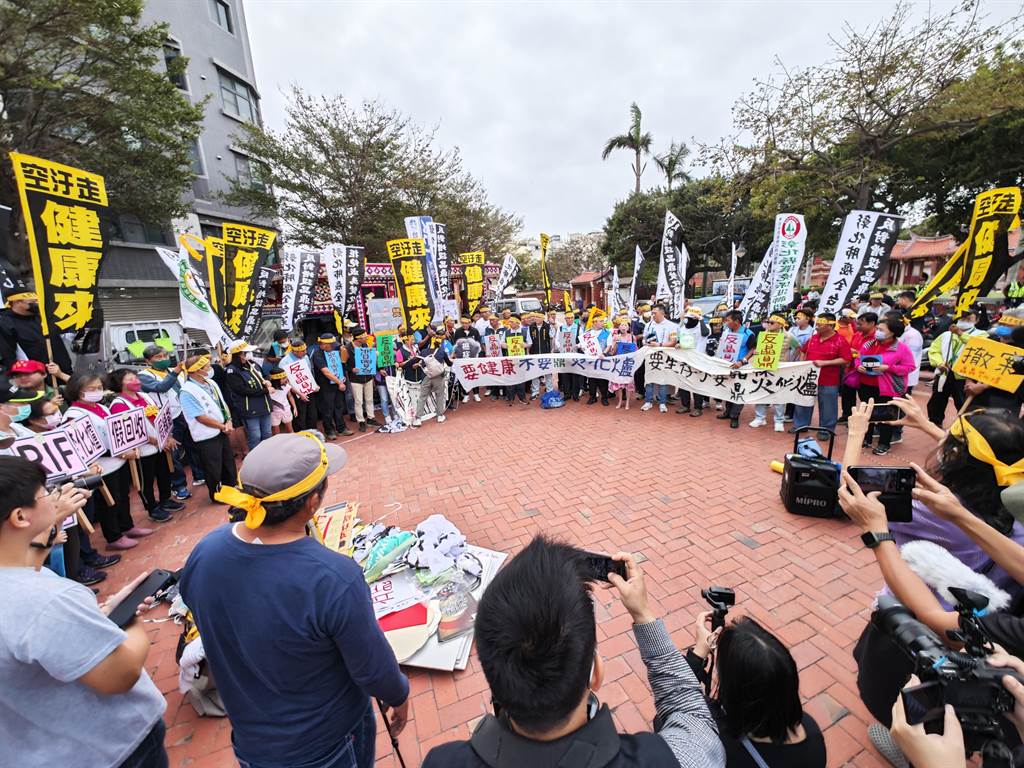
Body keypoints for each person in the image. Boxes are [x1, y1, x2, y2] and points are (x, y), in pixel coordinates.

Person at [179, 433, 409, 768]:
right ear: (312, 504)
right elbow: (371, 667)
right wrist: (398, 694)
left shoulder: (205, 552)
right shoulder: (332, 577)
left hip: (253, 742)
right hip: (327, 743)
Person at [421, 536, 724, 768]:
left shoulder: (441, 762)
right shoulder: (667, 760)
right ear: (596, 672)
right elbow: (691, 714)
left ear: (492, 672)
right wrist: (643, 614)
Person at [0, 457, 169, 768]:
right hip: (110, 752)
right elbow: (120, 673)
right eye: (45, 493)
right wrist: (126, 617)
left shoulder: (25, 585)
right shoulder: (44, 600)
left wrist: (95, 620)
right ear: (20, 516)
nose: (55, 498)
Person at [685, 611, 826, 767]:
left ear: (737, 695)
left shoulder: (718, 742)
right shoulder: (812, 734)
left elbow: (668, 719)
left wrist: (697, 655)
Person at [65, 374, 149, 551]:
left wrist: (128, 445)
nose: (98, 392)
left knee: (123, 496)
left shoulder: (100, 407)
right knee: (109, 502)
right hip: (102, 466)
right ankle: (113, 537)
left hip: (119, 460)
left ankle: (127, 526)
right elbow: (85, 445)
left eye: (99, 388)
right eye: (92, 389)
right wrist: (119, 452)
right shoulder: (74, 415)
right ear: (79, 392)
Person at [109, 369, 184, 524]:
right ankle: (152, 507)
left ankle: (165, 499)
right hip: (143, 450)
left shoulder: (144, 396)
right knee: (146, 481)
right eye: (130, 379)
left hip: (160, 445)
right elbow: (129, 430)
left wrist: (166, 436)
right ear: (120, 384)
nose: (136, 381)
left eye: (135, 377)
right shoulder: (119, 404)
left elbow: (159, 415)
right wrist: (154, 440)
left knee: (164, 473)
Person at [137, 345, 196, 499]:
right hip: (164, 419)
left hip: (181, 413)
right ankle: (179, 485)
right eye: (158, 357)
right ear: (148, 361)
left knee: (192, 446)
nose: (164, 359)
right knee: (173, 453)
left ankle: (199, 475)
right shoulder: (144, 375)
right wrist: (176, 372)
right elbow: (161, 387)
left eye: (165, 355)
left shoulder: (173, 370)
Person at [178, 354, 237, 504]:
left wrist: (228, 420)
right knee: (213, 467)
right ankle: (217, 495)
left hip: (222, 429)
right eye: (206, 366)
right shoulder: (187, 391)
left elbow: (222, 403)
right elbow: (200, 417)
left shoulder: (210, 382)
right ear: (197, 370)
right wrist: (222, 426)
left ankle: (231, 488)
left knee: (228, 461)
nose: (210, 367)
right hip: (207, 435)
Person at [856, 316, 915, 455]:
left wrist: (888, 367)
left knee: (885, 416)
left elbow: (910, 367)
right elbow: (859, 357)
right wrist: (858, 366)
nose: (877, 331)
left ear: (892, 332)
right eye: (877, 329)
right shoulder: (870, 344)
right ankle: (866, 438)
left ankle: (884, 443)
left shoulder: (901, 349)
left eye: (881, 329)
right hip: (866, 384)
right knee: (866, 413)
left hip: (887, 388)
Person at [793, 312, 851, 439]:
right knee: (803, 401)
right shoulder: (813, 338)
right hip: (809, 376)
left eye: (820, 324)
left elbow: (846, 359)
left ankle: (826, 430)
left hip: (828, 379)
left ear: (830, 326)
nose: (817, 326)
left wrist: (825, 363)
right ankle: (801, 425)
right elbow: (803, 351)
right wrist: (803, 364)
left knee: (828, 405)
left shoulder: (840, 341)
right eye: (817, 323)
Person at [926, 309, 987, 427]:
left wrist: (959, 333)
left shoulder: (981, 335)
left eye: (969, 319)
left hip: (964, 377)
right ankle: (935, 423)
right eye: (962, 319)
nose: (964, 321)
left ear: (977, 320)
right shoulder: (946, 335)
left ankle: (966, 427)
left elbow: (978, 346)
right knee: (936, 401)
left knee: (963, 403)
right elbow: (934, 350)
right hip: (945, 373)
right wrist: (939, 363)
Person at [746, 314, 802, 432]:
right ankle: (760, 418)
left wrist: (790, 360)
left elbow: (798, 347)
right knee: (761, 393)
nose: (769, 324)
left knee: (779, 396)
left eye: (772, 323)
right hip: (763, 368)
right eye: (768, 322)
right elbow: (756, 349)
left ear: (780, 324)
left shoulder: (789, 336)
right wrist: (756, 352)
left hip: (779, 370)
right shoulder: (763, 334)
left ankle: (779, 420)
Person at [0, 291, 73, 376]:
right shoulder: (6, 324)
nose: (37, 304)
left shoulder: (44, 314)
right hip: (36, 377)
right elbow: (8, 357)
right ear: (17, 302)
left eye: (37, 301)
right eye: (33, 303)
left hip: (63, 371)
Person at [224, 341, 273, 451]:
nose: (248, 354)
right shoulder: (232, 370)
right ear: (239, 354)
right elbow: (242, 390)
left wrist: (268, 381)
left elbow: (265, 376)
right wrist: (265, 390)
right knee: (255, 436)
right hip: (250, 408)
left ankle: (269, 455)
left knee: (267, 433)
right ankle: (256, 460)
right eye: (246, 352)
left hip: (265, 405)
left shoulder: (253, 364)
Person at [716, 310, 756, 429]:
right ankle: (727, 412)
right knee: (728, 390)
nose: (726, 322)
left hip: (741, 367)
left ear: (737, 321)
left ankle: (735, 417)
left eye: (728, 320)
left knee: (738, 392)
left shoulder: (749, 334)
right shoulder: (727, 332)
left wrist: (742, 361)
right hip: (727, 365)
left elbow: (752, 350)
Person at [310, 333, 352, 440]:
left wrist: (343, 351)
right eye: (330, 345)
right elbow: (326, 372)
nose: (333, 346)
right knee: (327, 409)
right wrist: (340, 383)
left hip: (338, 384)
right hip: (326, 386)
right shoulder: (317, 355)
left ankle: (341, 428)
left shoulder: (335, 351)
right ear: (323, 344)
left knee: (339, 407)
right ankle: (329, 431)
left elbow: (344, 361)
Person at [641, 305, 678, 413]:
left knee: (663, 380)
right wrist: (646, 343)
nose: (652, 315)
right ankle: (648, 401)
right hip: (650, 356)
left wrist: (659, 344)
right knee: (649, 379)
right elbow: (644, 340)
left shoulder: (671, 326)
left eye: (655, 313)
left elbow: (673, 341)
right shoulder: (648, 325)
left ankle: (662, 402)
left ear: (662, 313)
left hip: (664, 356)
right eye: (652, 313)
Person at [675, 306, 710, 417]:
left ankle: (698, 408)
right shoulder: (684, 328)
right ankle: (685, 405)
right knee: (683, 383)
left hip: (697, 361)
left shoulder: (704, 326)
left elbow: (705, 334)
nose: (688, 320)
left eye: (690, 319)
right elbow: (681, 340)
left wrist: (701, 319)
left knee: (696, 385)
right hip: (684, 359)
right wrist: (678, 344)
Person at [345, 328, 379, 433]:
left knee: (369, 399)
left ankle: (371, 418)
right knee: (358, 401)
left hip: (367, 377)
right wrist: (351, 369)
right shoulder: (347, 348)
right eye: (364, 337)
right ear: (358, 338)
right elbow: (343, 364)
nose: (366, 339)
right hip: (355, 379)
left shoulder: (365, 346)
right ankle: (361, 421)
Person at [281, 340, 319, 431]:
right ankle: (302, 438)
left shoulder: (305, 357)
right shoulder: (284, 362)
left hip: (309, 390)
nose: (305, 352)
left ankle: (313, 434)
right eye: (302, 351)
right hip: (295, 393)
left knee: (312, 414)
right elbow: (285, 382)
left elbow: (309, 373)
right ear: (294, 351)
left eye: (305, 350)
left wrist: (314, 385)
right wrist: (299, 394)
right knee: (300, 417)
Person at [608, 320, 638, 409]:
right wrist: (615, 344)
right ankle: (620, 401)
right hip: (618, 363)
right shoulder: (616, 337)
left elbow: (635, 350)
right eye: (621, 325)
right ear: (619, 327)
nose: (623, 327)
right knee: (619, 384)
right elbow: (612, 352)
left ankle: (628, 402)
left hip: (628, 363)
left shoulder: (632, 337)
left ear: (628, 327)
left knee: (628, 384)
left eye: (625, 325)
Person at [502, 316, 530, 406]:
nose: (510, 324)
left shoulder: (525, 331)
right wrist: (504, 345)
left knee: (521, 378)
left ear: (518, 323)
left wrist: (525, 345)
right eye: (509, 322)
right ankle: (510, 398)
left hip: (521, 359)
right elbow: (501, 342)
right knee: (510, 378)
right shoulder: (506, 332)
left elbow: (530, 343)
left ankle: (522, 397)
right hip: (510, 359)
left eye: (512, 322)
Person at [267, 368, 297, 434]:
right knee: (276, 433)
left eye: (285, 377)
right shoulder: (268, 389)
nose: (286, 379)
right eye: (283, 378)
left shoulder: (286, 386)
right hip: (273, 413)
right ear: (276, 380)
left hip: (286, 410)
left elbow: (290, 396)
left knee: (290, 430)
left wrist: (294, 407)